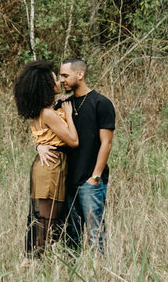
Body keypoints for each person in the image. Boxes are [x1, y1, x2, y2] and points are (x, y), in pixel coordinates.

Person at [38, 57, 114, 253]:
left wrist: (95, 177)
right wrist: (39, 146)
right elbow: (44, 130)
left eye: (65, 75)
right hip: (65, 181)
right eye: (60, 76)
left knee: (95, 232)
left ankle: (100, 274)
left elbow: (106, 143)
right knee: (71, 233)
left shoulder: (101, 103)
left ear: (80, 74)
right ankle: (73, 275)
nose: (61, 80)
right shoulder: (62, 105)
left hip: (90, 181)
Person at [13, 59, 79, 257]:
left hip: (49, 165)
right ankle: (34, 260)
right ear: (46, 87)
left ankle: (35, 259)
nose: (58, 82)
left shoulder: (43, 111)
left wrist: (39, 144)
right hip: (50, 167)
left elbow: (43, 136)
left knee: (45, 218)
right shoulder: (49, 113)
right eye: (54, 80)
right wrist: (69, 115)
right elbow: (73, 141)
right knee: (46, 220)